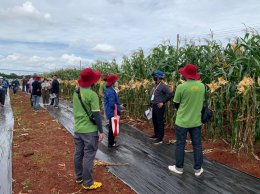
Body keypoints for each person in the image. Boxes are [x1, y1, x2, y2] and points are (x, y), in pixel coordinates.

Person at [168, 64, 204, 176]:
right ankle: (198, 170)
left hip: (182, 121)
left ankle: (179, 168)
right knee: (197, 145)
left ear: (185, 75)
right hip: (196, 121)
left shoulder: (181, 87)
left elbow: (176, 104)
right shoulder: (202, 86)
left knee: (180, 144)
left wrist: (184, 110)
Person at [73, 68, 104, 190]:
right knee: (89, 156)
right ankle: (88, 183)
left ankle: (79, 177)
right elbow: (96, 115)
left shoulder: (76, 92)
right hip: (90, 131)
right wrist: (101, 131)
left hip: (78, 128)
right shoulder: (92, 95)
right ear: (92, 81)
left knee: (78, 154)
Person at [149, 70, 174, 145]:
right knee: (155, 121)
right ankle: (156, 134)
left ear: (158, 77)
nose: (153, 77)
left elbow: (171, 94)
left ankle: (160, 138)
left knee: (160, 122)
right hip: (154, 105)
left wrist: (163, 102)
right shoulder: (155, 85)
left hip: (159, 106)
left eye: (154, 76)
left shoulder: (163, 86)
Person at [104, 74, 123, 148]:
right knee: (112, 128)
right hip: (112, 112)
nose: (117, 82)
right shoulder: (111, 91)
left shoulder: (109, 89)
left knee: (111, 127)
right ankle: (111, 144)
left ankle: (111, 141)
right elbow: (112, 104)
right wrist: (120, 106)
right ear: (113, 82)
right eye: (116, 81)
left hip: (110, 111)